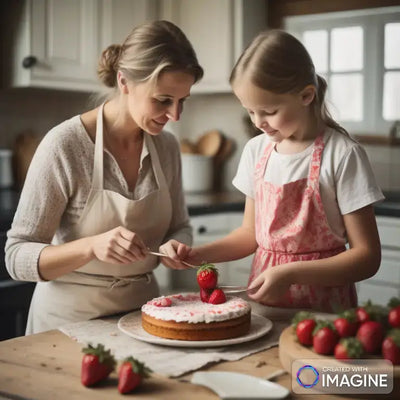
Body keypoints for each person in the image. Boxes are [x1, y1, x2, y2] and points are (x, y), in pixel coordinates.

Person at [161, 29, 384, 313]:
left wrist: (291, 273)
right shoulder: (256, 151)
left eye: (268, 111)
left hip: (324, 314)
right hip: (265, 307)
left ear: (306, 95)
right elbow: (249, 234)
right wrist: (196, 255)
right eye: (250, 112)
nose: (258, 123)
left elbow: (367, 257)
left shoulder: (342, 155)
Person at [5, 20, 203, 334]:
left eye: (182, 102)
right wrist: (90, 247)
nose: (175, 115)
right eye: (163, 100)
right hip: (66, 325)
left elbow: (180, 226)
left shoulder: (166, 146)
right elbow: (17, 257)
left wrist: (175, 246)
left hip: (143, 319)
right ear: (124, 82)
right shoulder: (65, 145)